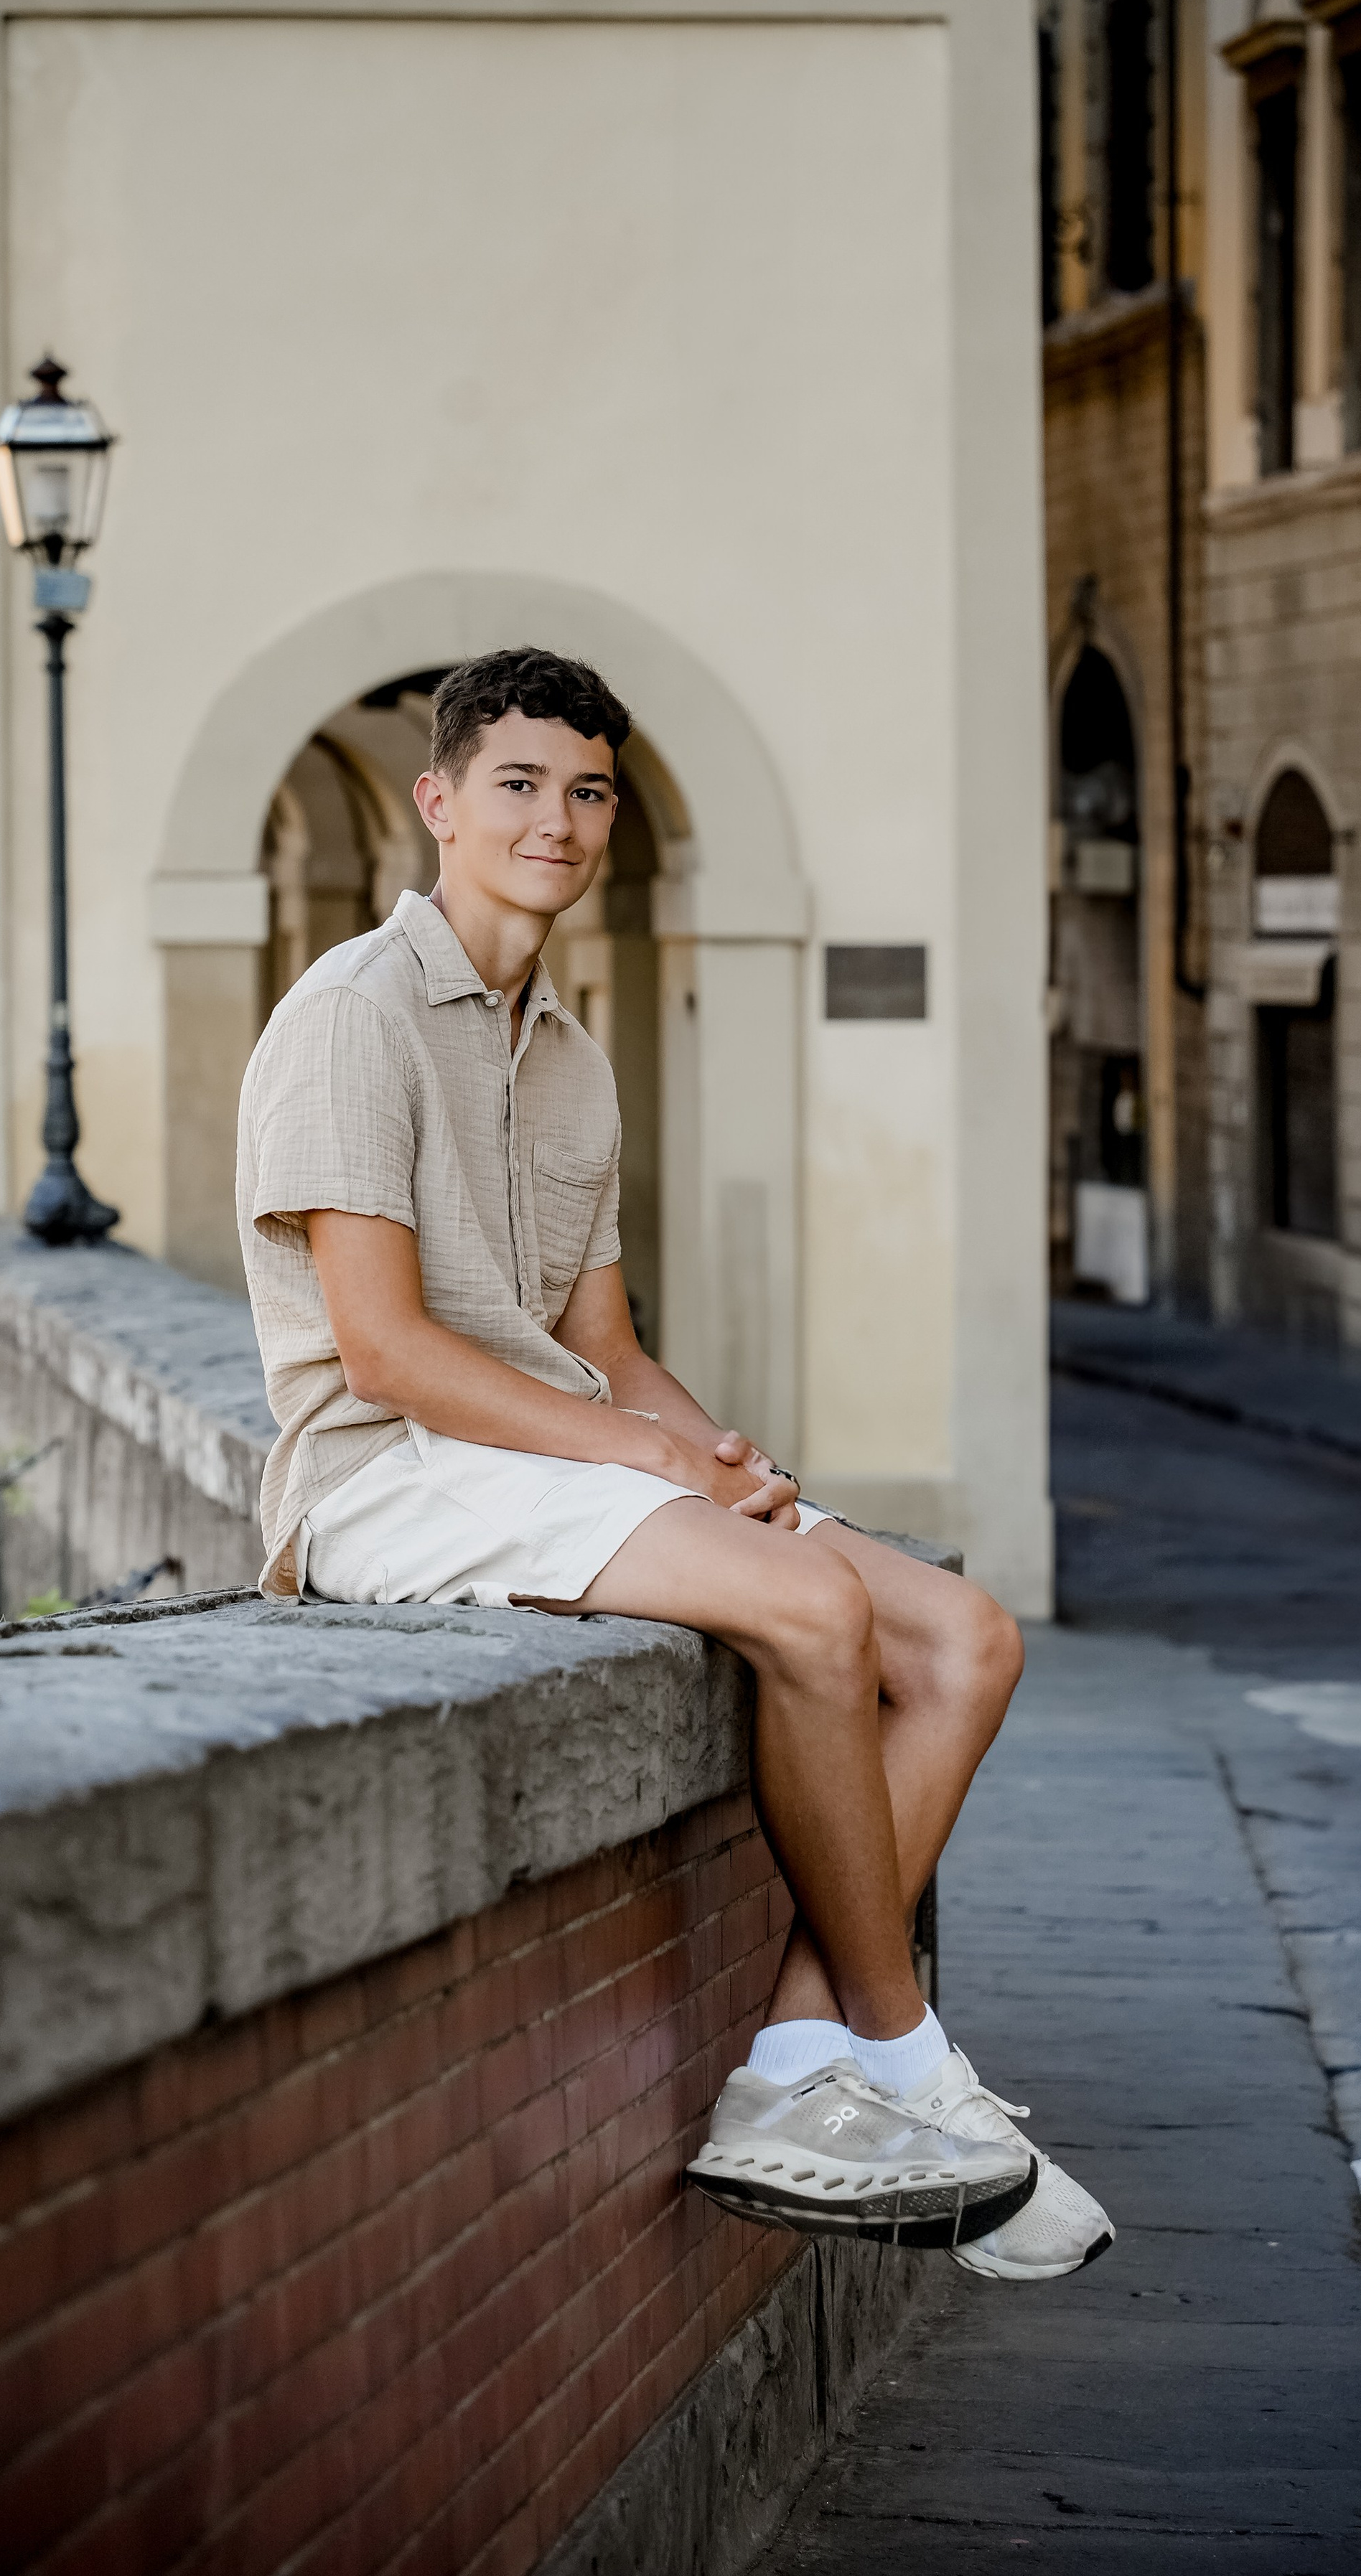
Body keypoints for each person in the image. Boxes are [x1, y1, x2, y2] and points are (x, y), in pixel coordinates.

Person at [236, 647, 1110, 2275]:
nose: (554, 823)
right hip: (389, 1477)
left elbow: (608, 1345)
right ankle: (912, 2065)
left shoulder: (569, 1054)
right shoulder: (349, 1017)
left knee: (960, 1637)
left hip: (552, 1458)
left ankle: (796, 2065)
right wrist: (650, 1463)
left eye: (585, 794)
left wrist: (717, 1454)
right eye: (516, 785)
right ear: (437, 801)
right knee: (806, 1612)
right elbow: (386, 1352)